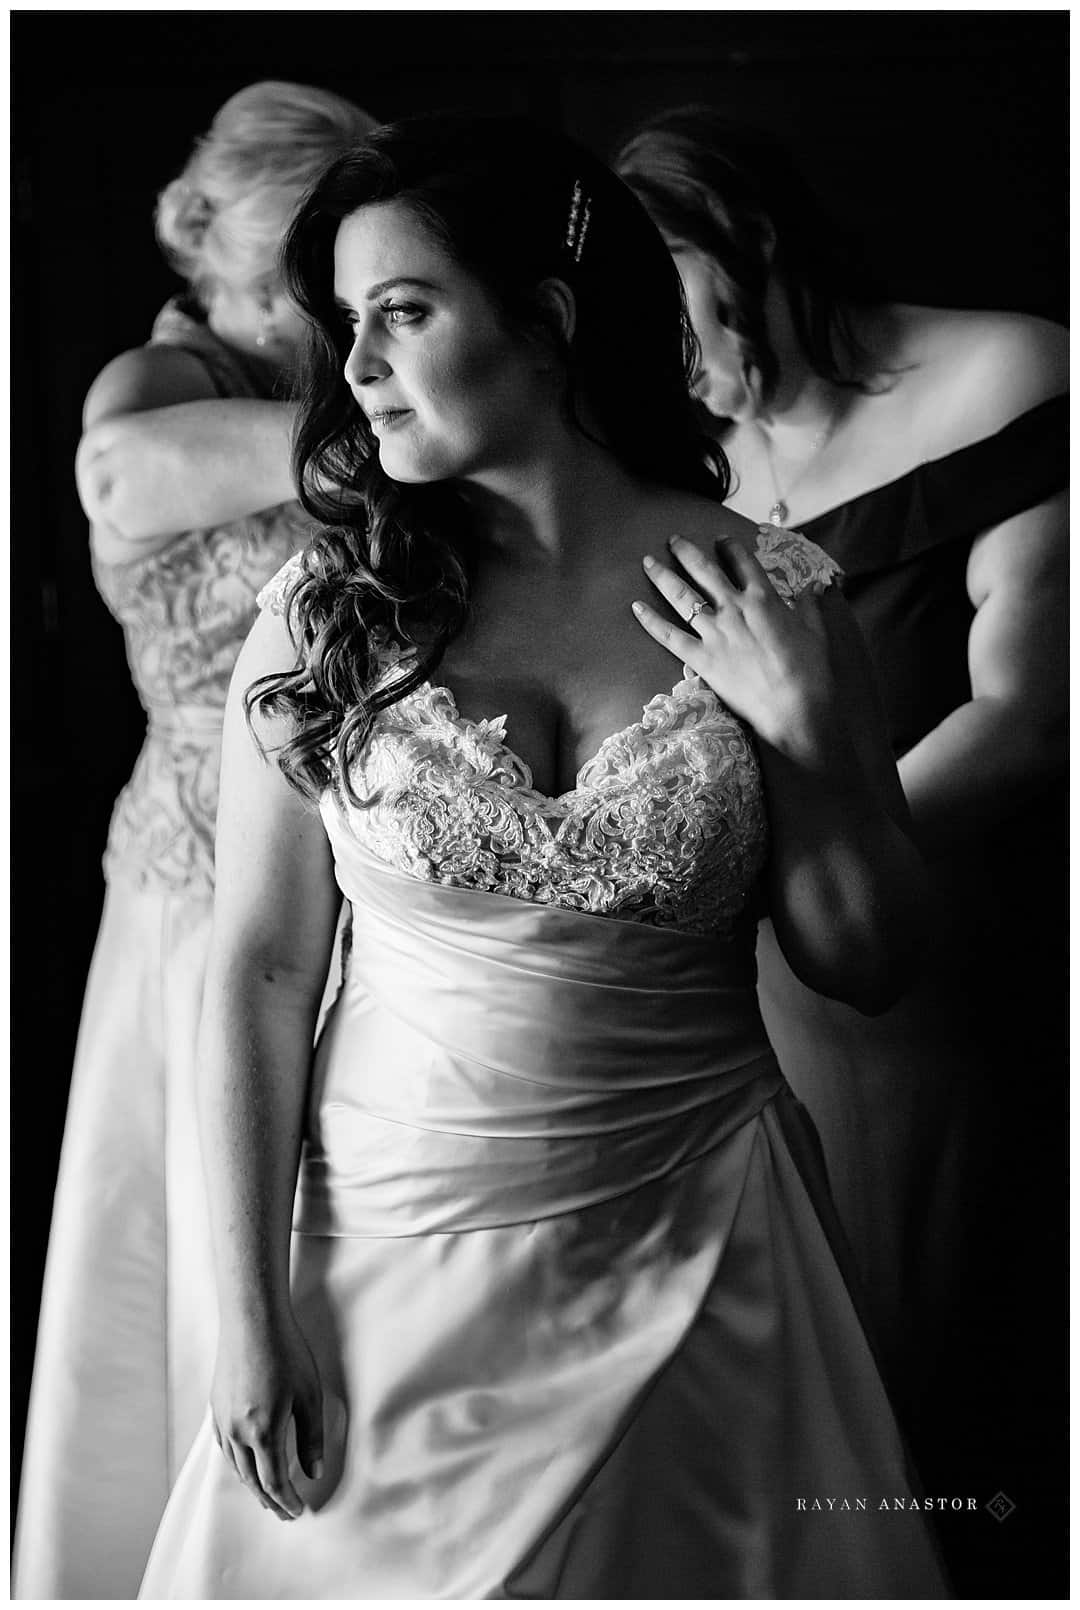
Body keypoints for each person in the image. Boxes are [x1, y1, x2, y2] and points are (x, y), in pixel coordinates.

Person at [136, 112, 948, 1599]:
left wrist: (820, 737)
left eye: (400, 312)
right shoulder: (331, 610)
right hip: (388, 1278)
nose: (356, 367)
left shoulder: (759, 588)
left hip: (708, 1248)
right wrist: (245, 1321)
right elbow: (254, 971)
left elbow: (871, 961)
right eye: (344, 327)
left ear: (550, 321)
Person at [615, 105, 1068, 1595]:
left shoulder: (1011, 373)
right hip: (753, 986)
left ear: (748, 250)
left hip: (955, 935)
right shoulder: (689, 464)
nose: (675, 367)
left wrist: (817, 846)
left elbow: (1028, 713)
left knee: (951, 1341)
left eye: (679, 310)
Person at [14, 81, 376, 1601]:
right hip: (187, 890)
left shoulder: (354, 370)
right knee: (185, 1250)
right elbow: (122, 481)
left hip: (350, 885)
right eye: (302, 270)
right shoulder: (148, 385)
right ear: (222, 255)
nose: (326, 307)